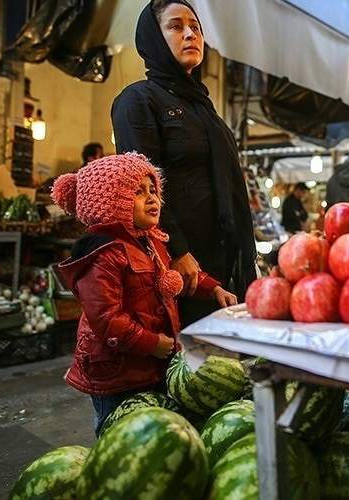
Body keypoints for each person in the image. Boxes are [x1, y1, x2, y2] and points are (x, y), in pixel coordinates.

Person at [51, 153, 237, 436]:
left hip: (148, 364)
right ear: (111, 203)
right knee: (117, 431)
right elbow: (107, 319)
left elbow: (174, 277)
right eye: (138, 192)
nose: (152, 199)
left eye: (153, 191)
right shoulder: (102, 255)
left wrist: (213, 288)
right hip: (116, 373)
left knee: (148, 432)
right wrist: (150, 343)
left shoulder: (151, 241)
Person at [111, 0, 256, 327]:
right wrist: (176, 249)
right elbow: (140, 183)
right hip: (177, 269)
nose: (191, 34)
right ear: (153, 37)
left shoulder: (205, 111)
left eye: (196, 27)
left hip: (219, 264)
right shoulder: (138, 101)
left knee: (217, 367)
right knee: (178, 365)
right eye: (176, 26)